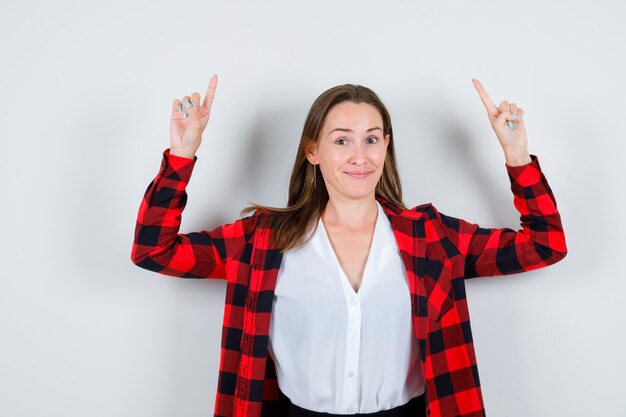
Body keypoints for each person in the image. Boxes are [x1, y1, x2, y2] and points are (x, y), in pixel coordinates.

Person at [131, 75, 567, 417]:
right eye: (342, 140)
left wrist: (517, 155)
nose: (360, 156)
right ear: (313, 151)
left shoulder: (432, 238)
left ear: (386, 147)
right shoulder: (263, 241)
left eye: (371, 139)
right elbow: (154, 251)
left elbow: (545, 245)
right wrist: (181, 156)